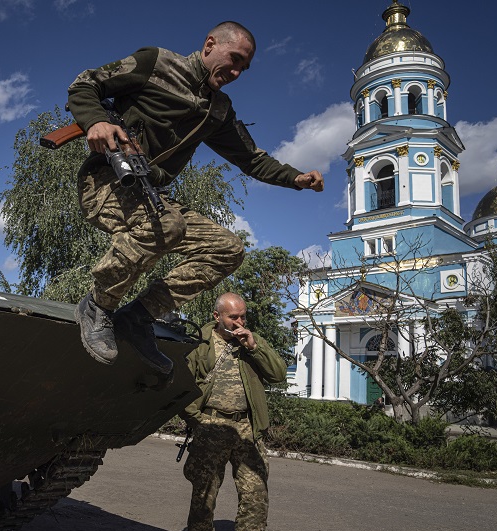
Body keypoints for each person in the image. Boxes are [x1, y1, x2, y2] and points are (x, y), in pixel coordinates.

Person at [67, 21, 324, 375]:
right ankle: (98, 306)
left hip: (151, 195)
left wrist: (296, 178)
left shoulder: (217, 109)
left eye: (243, 68)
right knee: (167, 224)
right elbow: (85, 83)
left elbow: (251, 158)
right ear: (209, 45)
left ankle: (137, 317)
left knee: (228, 248)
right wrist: (95, 120)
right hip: (106, 181)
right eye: (233, 60)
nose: (235, 72)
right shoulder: (155, 63)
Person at [182, 292, 286, 531]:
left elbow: (279, 374)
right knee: (204, 498)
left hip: (247, 430)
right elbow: (181, 384)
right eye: (233, 317)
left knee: (255, 496)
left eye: (243, 316)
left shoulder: (251, 341)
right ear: (217, 317)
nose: (239, 322)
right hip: (211, 426)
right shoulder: (200, 344)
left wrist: (254, 347)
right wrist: (196, 420)